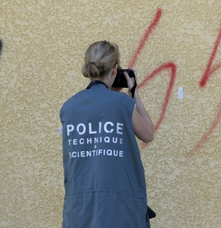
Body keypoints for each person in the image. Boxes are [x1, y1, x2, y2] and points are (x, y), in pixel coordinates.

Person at [59, 40, 155, 227]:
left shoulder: (69, 107)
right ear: (115, 70)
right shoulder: (122, 104)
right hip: (118, 212)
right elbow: (148, 133)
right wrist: (133, 93)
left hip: (80, 211)